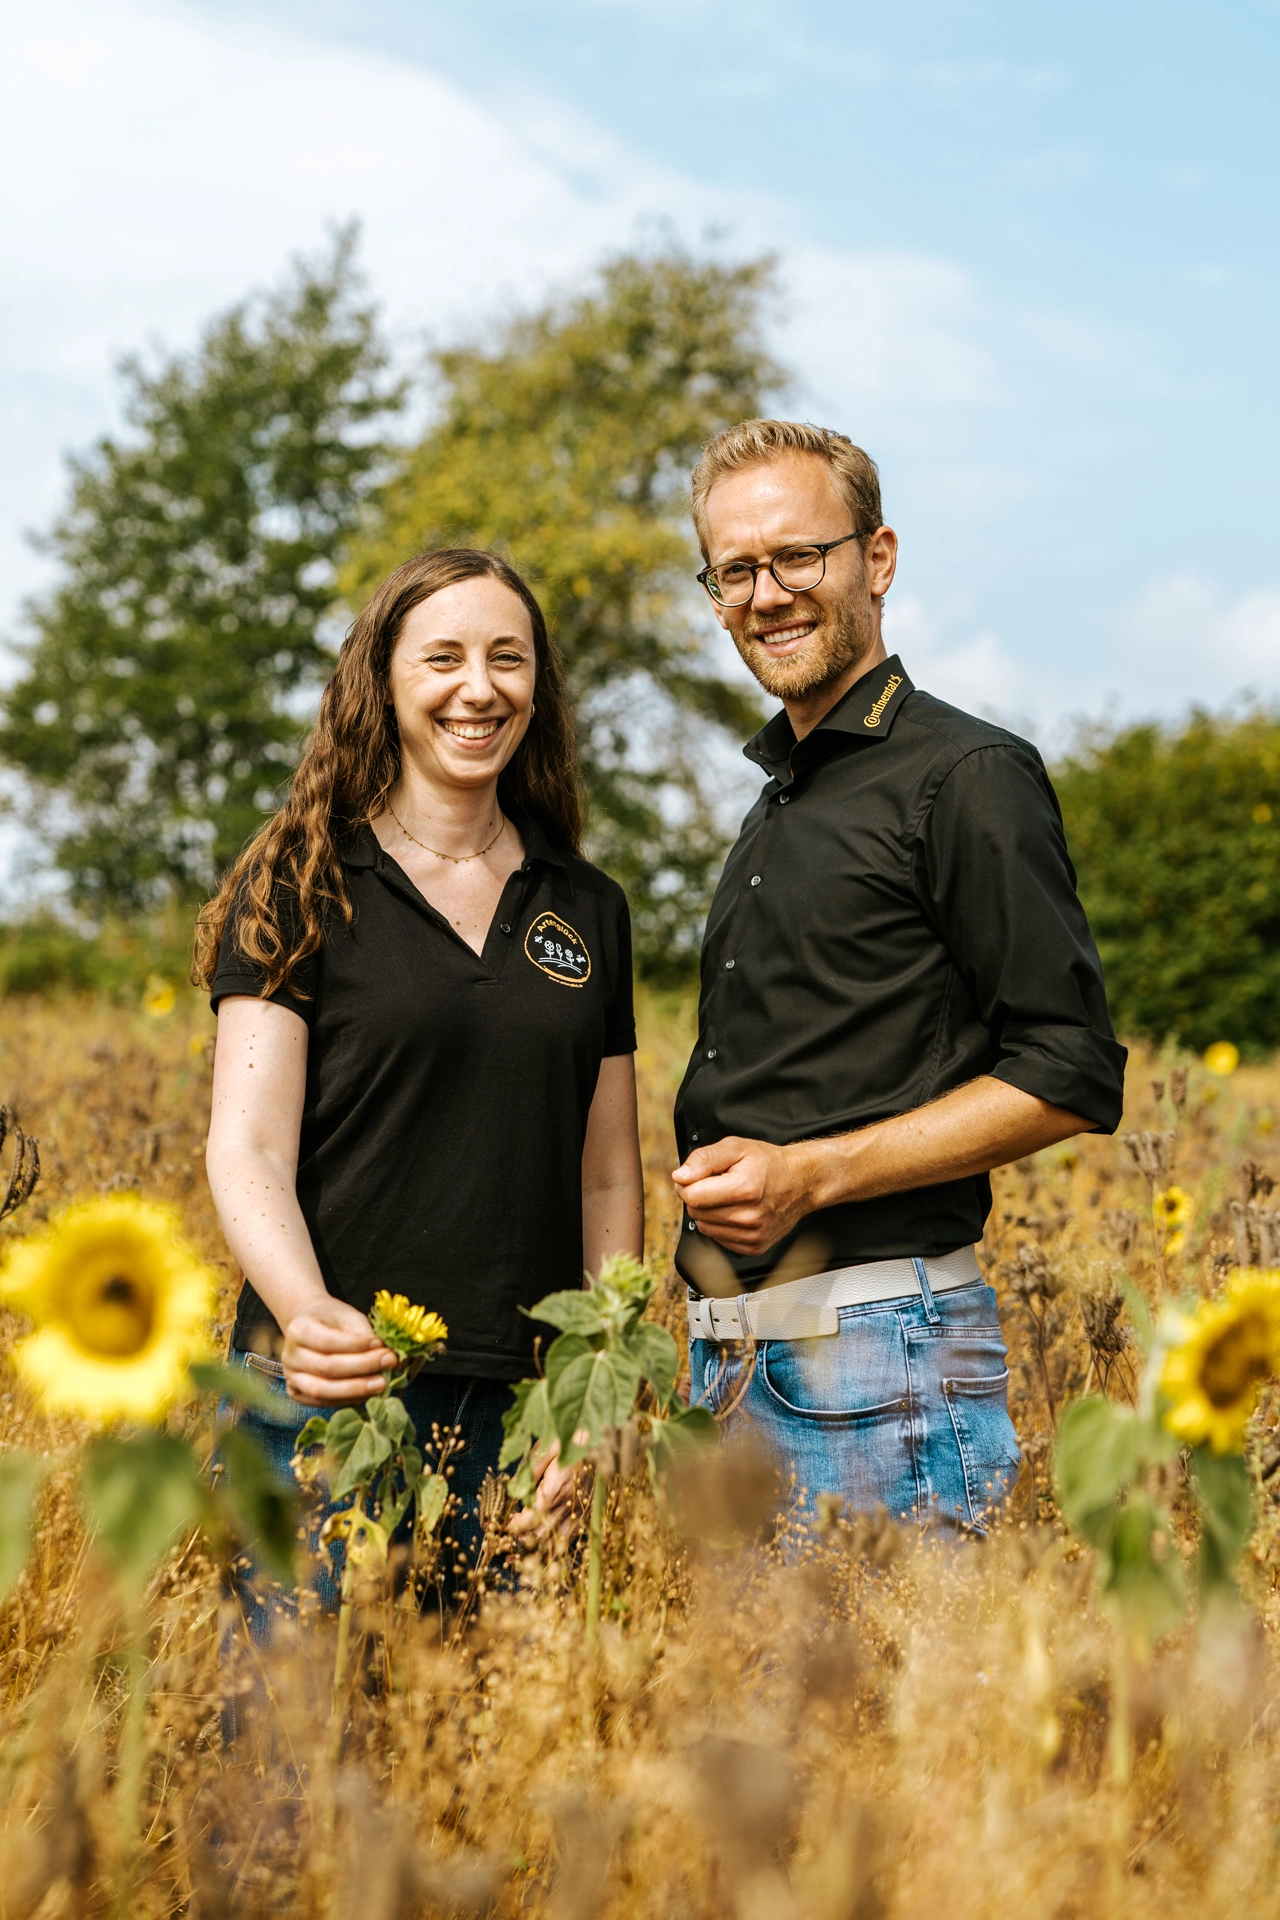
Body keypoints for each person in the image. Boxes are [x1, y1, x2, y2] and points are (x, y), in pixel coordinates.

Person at [670, 420, 1126, 1533]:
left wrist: (810, 1179)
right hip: (730, 1371)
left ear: (875, 559)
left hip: (878, 1364)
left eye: (797, 557)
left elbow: (1069, 1071)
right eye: (735, 570)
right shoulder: (781, 795)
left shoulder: (965, 775)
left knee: (892, 1713)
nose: (765, 594)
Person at [195, 547, 643, 1622]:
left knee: (480, 1772)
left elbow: (607, 1179)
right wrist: (306, 1316)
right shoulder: (298, 878)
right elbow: (246, 1148)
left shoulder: (585, 906)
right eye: (441, 657)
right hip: (319, 1398)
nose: (477, 687)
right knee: (293, 1767)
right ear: (382, 681)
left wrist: (593, 1393)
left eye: (507, 658)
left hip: (523, 1411)